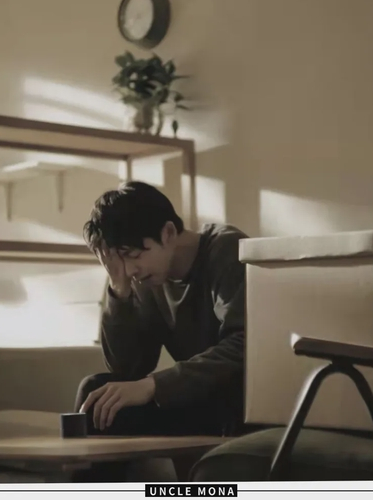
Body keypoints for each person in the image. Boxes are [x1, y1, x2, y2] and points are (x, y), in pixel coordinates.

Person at [75, 181, 249, 444]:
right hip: (196, 402)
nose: (130, 271)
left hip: (238, 403)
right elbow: (128, 369)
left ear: (168, 232)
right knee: (98, 393)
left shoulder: (227, 250)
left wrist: (156, 385)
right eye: (118, 261)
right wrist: (119, 289)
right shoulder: (146, 277)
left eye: (132, 255)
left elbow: (244, 345)